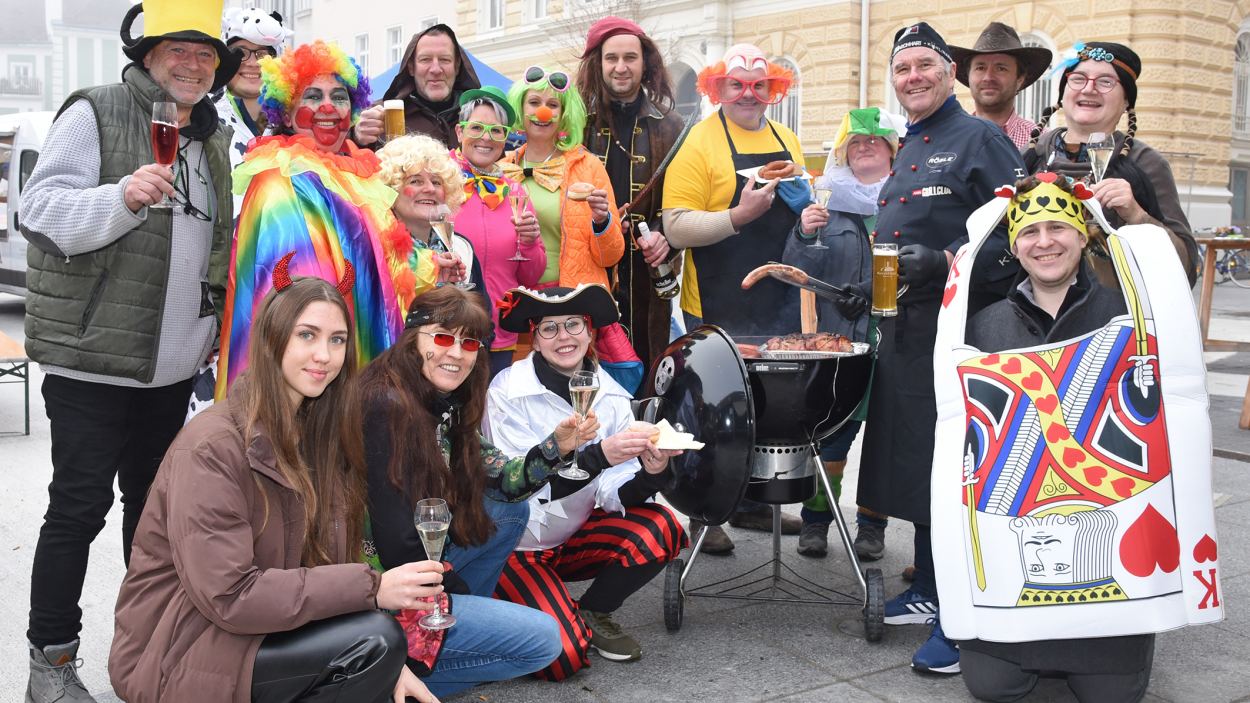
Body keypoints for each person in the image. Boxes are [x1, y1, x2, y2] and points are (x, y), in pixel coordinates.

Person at [19, 2, 238, 698]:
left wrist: (210, 335)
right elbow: (39, 211)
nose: (192, 65)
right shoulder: (99, 111)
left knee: (154, 517)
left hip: (171, 369)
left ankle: (148, 650)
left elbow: (212, 249)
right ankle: (48, 663)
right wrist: (120, 195)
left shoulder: (210, 138)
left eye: (206, 56)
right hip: (93, 360)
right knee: (77, 511)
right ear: (148, 55)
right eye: (179, 50)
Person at [110, 272, 438, 703]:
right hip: (178, 649)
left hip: (262, 631)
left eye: (338, 340)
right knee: (375, 640)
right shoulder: (211, 447)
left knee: (378, 649)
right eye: (307, 335)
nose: (324, 355)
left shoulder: (321, 437)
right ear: (272, 339)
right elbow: (231, 596)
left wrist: (386, 670)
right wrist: (372, 589)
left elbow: (323, 569)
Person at [857, 22, 1025, 676]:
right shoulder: (910, 143)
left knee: (959, 476)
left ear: (949, 70)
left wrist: (950, 265)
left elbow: (1023, 232)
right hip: (905, 335)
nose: (913, 78)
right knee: (923, 466)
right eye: (903, 69)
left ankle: (963, 617)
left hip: (962, 335)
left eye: (925, 65)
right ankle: (929, 585)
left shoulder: (978, 139)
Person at [958, 174, 1155, 702]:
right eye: (1030, 232)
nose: (1044, 242)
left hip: (1105, 527)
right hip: (1018, 536)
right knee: (993, 686)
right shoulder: (982, 326)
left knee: (1111, 695)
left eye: (1057, 228)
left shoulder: (1128, 316)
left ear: (1084, 234)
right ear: (1015, 248)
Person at [359, 286, 587, 698]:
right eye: (443, 337)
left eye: (470, 342)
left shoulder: (444, 399)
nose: (457, 353)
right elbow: (398, 545)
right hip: (376, 582)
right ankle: (385, 679)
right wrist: (454, 591)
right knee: (545, 640)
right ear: (414, 338)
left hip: (419, 557)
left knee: (508, 512)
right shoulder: (388, 406)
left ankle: (443, 642)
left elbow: (503, 479)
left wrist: (557, 446)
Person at [217, 40, 453, 396]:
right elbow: (293, 283)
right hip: (310, 365)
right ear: (286, 109)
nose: (328, 106)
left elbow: (381, 255)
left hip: (356, 352)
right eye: (312, 96)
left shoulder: (358, 174)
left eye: (340, 97)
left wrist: (431, 268)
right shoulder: (279, 177)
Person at [486, 284, 687, 678]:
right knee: (561, 658)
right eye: (549, 328)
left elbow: (614, 492)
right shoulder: (507, 391)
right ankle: (501, 606)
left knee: (663, 527)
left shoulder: (610, 396)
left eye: (573, 324)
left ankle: (592, 611)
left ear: (590, 331)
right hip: (512, 546)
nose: (564, 337)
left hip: (571, 539)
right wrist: (599, 456)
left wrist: (652, 470)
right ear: (535, 339)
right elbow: (519, 490)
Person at [661, 43, 807, 553]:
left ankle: (749, 504)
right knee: (715, 411)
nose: (748, 94)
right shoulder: (698, 143)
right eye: (736, 85)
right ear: (717, 89)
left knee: (767, 408)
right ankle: (705, 513)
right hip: (717, 297)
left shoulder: (786, 138)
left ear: (773, 90)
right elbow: (675, 226)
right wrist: (738, 217)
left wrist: (810, 214)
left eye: (759, 85)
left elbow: (800, 204)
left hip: (780, 300)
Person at [786, 107, 898, 559]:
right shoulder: (827, 202)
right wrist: (801, 232)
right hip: (841, 340)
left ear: (893, 150)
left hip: (897, 340)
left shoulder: (907, 200)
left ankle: (872, 526)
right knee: (832, 438)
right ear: (843, 153)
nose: (865, 146)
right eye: (855, 142)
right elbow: (798, 271)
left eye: (875, 140)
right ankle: (816, 520)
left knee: (887, 442)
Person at [500, 66, 639, 391]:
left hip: (570, 303)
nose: (543, 111)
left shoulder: (587, 166)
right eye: (534, 102)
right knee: (521, 392)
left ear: (564, 115)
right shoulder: (500, 170)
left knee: (576, 397)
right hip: (519, 305)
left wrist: (602, 220)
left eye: (553, 105)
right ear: (521, 109)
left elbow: (611, 256)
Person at [1023, 41, 1198, 287]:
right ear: (1063, 94)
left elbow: (1186, 266)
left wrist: (1137, 215)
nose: (1089, 89)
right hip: (1038, 314)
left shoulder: (1145, 163)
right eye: (1078, 79)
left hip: (1120, 317)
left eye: (1105, 82)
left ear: (1126, 100)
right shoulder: (1031, 157)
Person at [577, 16, 683, 369]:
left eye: (630, 58)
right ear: (598, 63)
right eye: (611, 58)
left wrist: (666, 236)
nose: (620, 67)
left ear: (645, 63)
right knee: (586, 358)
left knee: (649, 359)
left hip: (648, 268)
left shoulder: (671, 125)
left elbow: (683, 199)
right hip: (588, 264)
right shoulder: (579, 123)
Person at [448, 86, 547, 377]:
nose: (486, 138)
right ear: (459, 132)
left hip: (501, 334)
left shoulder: (515, 191)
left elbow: (532, 275)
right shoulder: (437, 180)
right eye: (476, 127)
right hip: (450, 330)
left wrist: (529, 243)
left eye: (496, 130)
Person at [376, 133, 490, 310]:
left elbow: (484, 321)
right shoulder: (378, 247)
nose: (429, 189)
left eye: (437, 182)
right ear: (391, 189)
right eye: (416, 181)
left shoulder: (461, 247)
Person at [356, 24, 481, 148]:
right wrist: (356, 136)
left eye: (444, 59)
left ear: (457, 66)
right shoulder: (381, 116)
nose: (436, 69)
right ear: (411, 67)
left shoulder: (478, 117)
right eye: (425, 59)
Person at [948, 22, 1051, 149]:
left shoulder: (1041, 142)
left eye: (1001, 68)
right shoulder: (948, 138)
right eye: (980, 68)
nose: (988, 77)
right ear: (968, 76)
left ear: (1020, 79)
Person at [217, 7, 292, 178]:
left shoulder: (293, 119)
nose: (253, 63)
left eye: (262, 54)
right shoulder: (203, 115)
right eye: (240, 53)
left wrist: (358, 136)